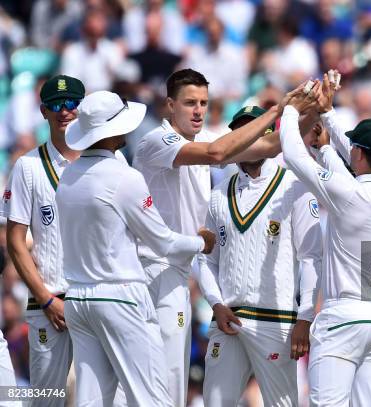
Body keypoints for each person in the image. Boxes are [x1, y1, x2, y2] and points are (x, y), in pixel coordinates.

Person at [55, 90, 215, 406]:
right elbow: (163, 242)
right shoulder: (124, 177)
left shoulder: (67, 175)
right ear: (113, 130)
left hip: (77, 299)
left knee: (93, 400)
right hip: (119, 296)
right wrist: (201, 243)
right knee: (154, 397)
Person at [132, 68, 279, 406]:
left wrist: (307, 115)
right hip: (152, 270)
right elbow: (218, 153)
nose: (198, 110)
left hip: (176, 269)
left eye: (203, 103)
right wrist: (272, 112)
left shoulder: (203, 140)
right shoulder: (158, 140)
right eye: (189, 103)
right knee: (164, 381)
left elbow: (264, 147)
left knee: (170, 379)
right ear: (170, 105)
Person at [279, 76, 371, 406]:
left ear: (361, 154)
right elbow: (348, 165)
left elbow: (293, 155)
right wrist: (327, 120)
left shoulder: (348, 193)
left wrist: (291, 112)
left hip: (343, 319)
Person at [199, 105, 322, 406]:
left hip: (275, 322)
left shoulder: (294, 186)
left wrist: (304, 318)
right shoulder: (218, 193)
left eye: (259, 132)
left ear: (272, 136)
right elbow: (206, 258)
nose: (251, 140)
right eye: (243, 132)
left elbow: (311, 257)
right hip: (227, 320)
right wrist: (215, 303)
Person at [1, 75, 85, 407]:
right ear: (43, 111)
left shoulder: (104, 160)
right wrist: (46, 299)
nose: (64, 111)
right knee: (46, 400)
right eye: (55, 105)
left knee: (98, 399)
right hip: (47, 304)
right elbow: (15, 241)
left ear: (82, 108)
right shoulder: (28, 167)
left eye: (71, 104)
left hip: (96, 301)